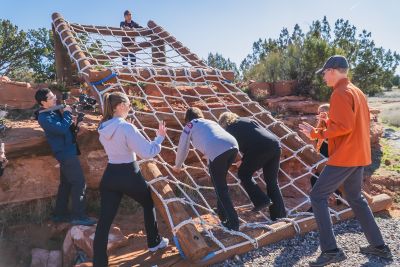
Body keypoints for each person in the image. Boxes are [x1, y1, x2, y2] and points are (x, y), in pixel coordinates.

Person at [299, 55, 392, 266]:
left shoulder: (340, 92)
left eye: (324, 72)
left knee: (317, 196)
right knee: (355, 197)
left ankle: (331, 250)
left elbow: (344, 127)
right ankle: (379, 246)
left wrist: (317, 133)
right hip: (360, 155)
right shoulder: (356, 91)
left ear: (332, 70)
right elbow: (354, 123)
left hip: (345, 156)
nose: (323, 76)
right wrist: (327, 122)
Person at [93, 92, 168, 267]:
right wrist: (160, 137)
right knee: (148, 204)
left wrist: (129, 132)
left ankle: (99, 263)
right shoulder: (126, 128)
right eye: (128, 104)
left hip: (110, 176)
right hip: (129, 174)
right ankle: (154, 242)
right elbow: (148, 152)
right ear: (119, 106)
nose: (130, 107)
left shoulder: (103, 127)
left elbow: (119, 142)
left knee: (104, 221)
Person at [34, 88, 95, 226]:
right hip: (65, 153)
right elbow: (60, 128)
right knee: (79, 183)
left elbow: (66, 130)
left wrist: (76, 125)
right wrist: (67, 113)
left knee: (66, 184)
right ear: (43, 102)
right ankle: (79, 216)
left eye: (54, 95)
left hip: (69, 150)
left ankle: (59, 214)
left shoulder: (53, 110)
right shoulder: (44, 117)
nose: (55, 98)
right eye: (51, 97)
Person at [173, 107, 240, 231]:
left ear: (187, 119)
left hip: (217, 149)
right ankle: (222, 213)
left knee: (220, 188)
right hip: (233, 145)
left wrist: (177, 166)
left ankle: (233, 223)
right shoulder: (210, 121)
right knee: (219, 183)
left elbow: (183, 147)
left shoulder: (190, 125)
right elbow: (213, 139)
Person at [218, 112, 286, 220]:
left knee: (244, 174)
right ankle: (279, 216)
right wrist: (244, 159)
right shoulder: (248, 120)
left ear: (223, 123)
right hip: (275, 145)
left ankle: (261, 200)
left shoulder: (229, 129)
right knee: (272, 182)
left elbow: (230, 148)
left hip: (260, 148)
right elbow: (254, 138)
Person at [308, 104, 343, 210]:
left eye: (323, 112)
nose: (320, 115)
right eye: (319, 112)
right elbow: (318, 146)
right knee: (315, 180)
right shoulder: (320, 127)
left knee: (318, 180)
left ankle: (337, 202)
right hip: (323, 160)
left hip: (334, 160)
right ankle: (334, 202)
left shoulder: (334, 126)